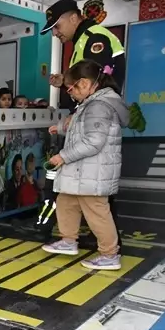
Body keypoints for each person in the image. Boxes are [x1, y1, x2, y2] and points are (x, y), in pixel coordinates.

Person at [42, 60, 129, 271]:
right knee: (66, 201)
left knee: (97, 213)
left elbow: (93, 141)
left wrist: (63, 156)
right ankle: (68, 241)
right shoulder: (92, 103)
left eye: (71, 89)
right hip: (82, 170)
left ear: (84, 83)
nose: (70, 94)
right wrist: (61, 127)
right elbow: (79, 125)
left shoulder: (98, 105)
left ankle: (109, 254)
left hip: (92, 171)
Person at [42, 0, 125, 113]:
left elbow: (95, 85)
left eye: (57, 26)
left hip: (97, 114)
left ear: (73, 18)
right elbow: (87, 79)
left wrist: (74, 115)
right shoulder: (82, 41)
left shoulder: (94, 37)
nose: (54, 33)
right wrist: (65, 81)